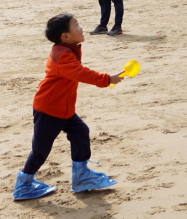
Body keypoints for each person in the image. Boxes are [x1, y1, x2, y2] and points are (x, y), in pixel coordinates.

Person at [12, 13, 125, 201]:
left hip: (63, 108)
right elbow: (81, 73)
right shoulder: (62, 55)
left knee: (80, 131)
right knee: (41, 149)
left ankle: (81, 175)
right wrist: (107, 79)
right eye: (76, 25)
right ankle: (23, 184)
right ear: (65, 36)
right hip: (48, 109)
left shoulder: (66, 50)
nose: (80, 28)